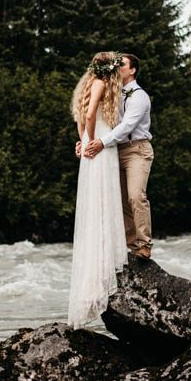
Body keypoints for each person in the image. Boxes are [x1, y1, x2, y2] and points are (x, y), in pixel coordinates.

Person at [67, 52, 128, 329]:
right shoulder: (102, 84)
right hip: (100, 148)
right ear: (111, 70)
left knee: (96, 202)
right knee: (102, 201)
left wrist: (82, 138)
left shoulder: (88, 84)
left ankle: (101, 264)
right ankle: (104, 268)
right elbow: (90, 114)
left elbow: (81, 115)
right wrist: (92, 141)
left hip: (95, 146)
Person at [85, 53, 154, 260]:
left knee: (136, 196)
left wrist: (101, 142)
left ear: (132, 70)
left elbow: (127, 126)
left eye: (121, 64)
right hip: (116, 151)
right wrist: (86, 139)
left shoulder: (139, 95)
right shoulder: (113, 93)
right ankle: (132, 247)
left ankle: (144, 244)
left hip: (137, 150)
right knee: (122, 200)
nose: (117, 67)